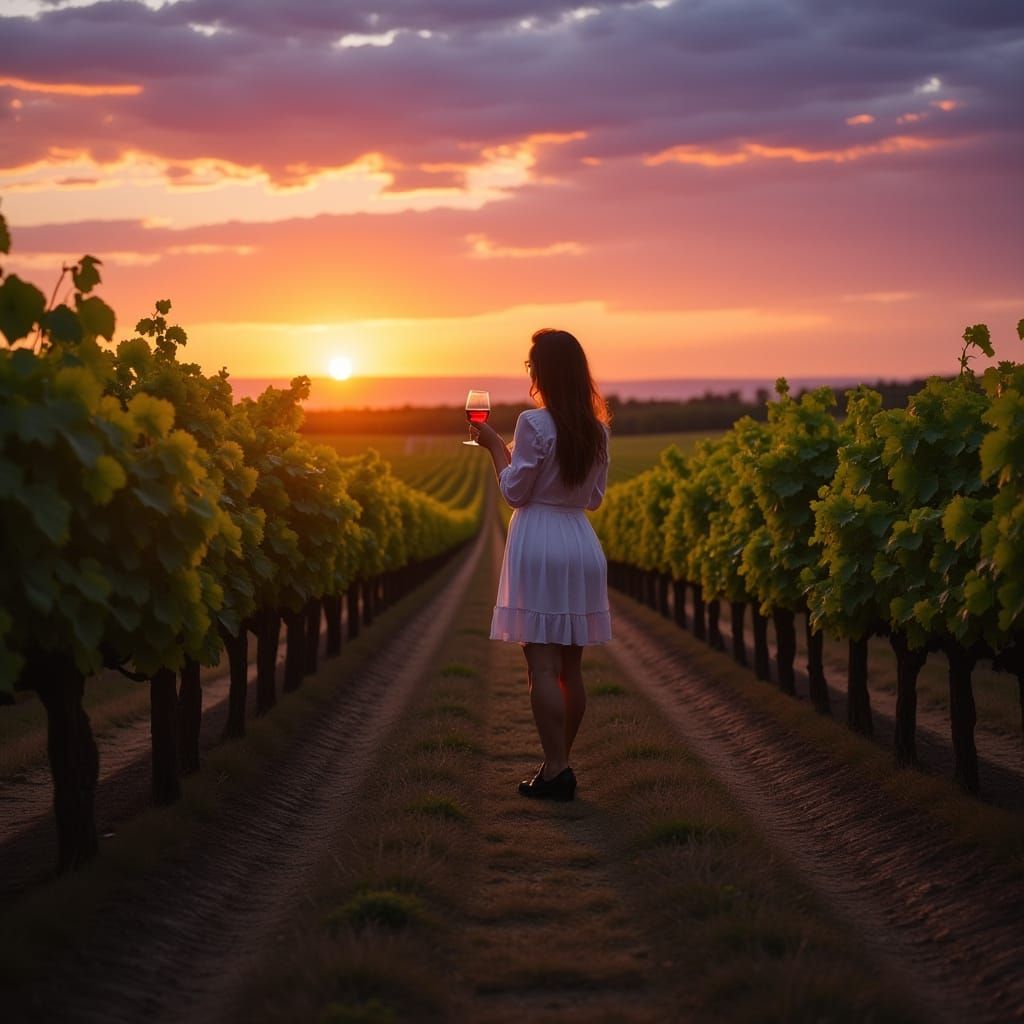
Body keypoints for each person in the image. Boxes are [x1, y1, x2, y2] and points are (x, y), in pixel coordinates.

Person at [470, 328, 612, 801]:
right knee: (571, 668)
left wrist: (495, 446)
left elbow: (514, 492)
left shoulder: (532, 424)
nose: (529, 373)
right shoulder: (598, 430)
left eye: (531, 365)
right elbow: (593, 499)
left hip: (539, 540)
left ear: (543, 372)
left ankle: (556, 767)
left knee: (542, 667)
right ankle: (558, 767)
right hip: (580, 542)